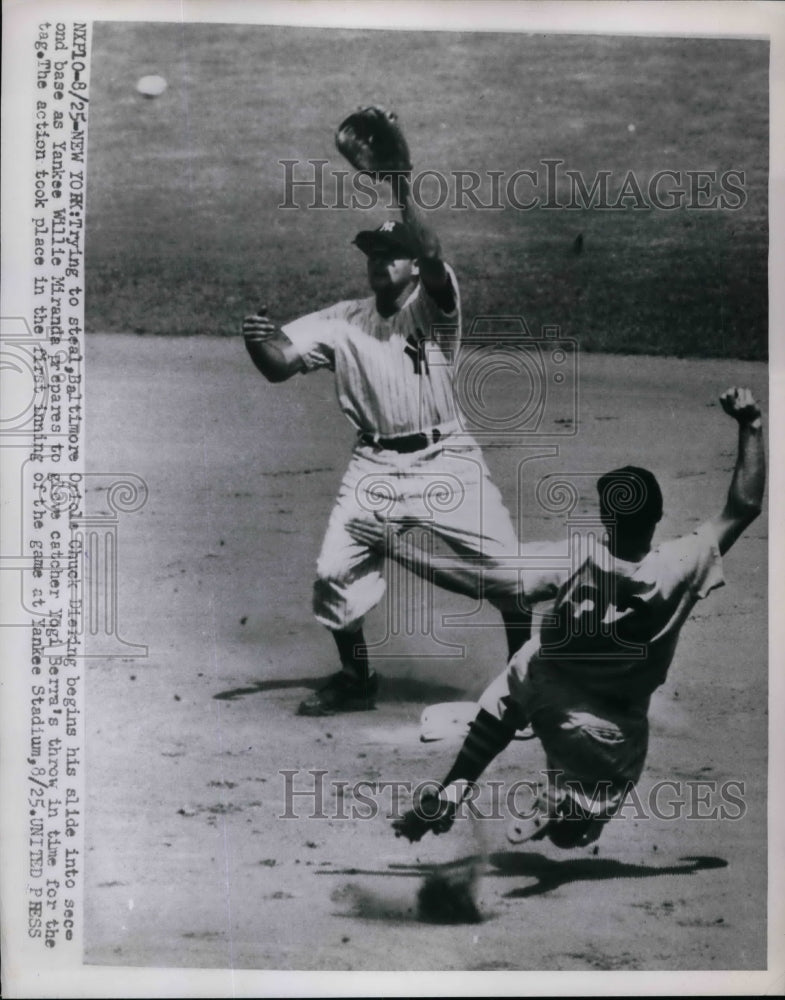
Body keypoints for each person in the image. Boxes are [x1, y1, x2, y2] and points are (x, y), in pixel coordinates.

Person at [348, 387, 765, 846]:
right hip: (613, 733)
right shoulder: (681, 565)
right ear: (658, 516)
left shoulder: (572, 561)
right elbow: (744, 506)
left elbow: (475, 581)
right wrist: (751, 424)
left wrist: (394, 546)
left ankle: (455, 787)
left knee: (526, 665)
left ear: (607, 518)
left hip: (548, 699)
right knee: (573, 838)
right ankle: (571, 807)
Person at [243, 169, 527, 717]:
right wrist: (258, 341)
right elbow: (280, 363)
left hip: (447, 461)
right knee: (333, 574)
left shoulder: (436, 308)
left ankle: (526, 682)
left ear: (413, 263)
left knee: (510, 574)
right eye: (372, 254)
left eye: (390, 254)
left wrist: (402, 179)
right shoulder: (342, 319)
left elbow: (436, 256)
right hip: (374, 466)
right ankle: (356, 679)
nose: (378, 262)